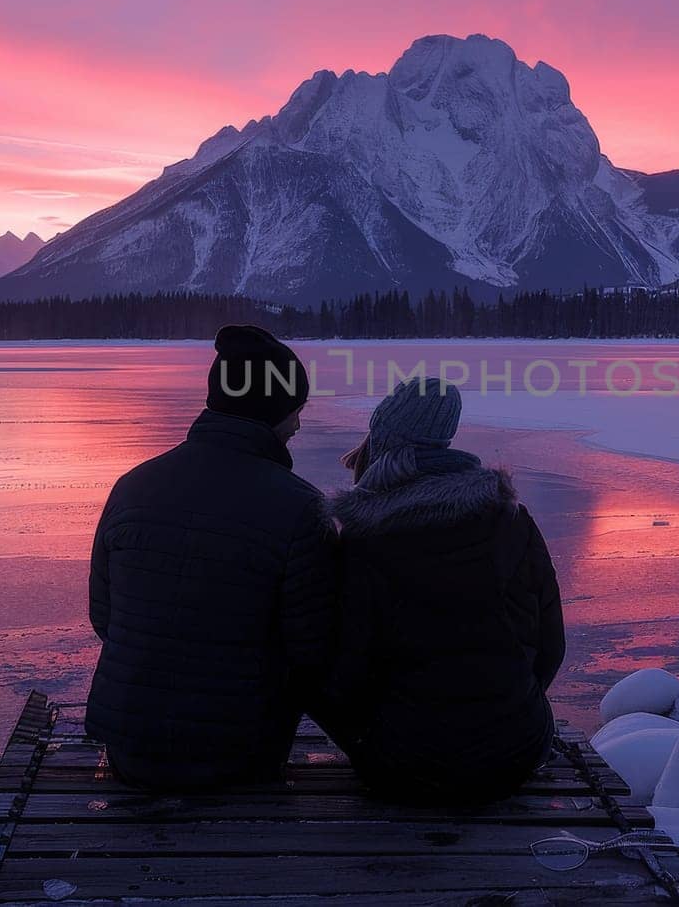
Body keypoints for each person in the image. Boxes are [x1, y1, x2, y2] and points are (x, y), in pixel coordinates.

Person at [86, 325, 336, 790]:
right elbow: (313, 649)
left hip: (131, 750)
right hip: (239, 756)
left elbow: (105, 616)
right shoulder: (300, 508)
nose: (299, 424)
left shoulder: (132, 487)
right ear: (272, 409)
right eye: (296, 410)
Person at [322, 376, 565, 803]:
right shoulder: (511, 519)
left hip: (401, 764)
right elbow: (550, 644)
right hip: (515, 752)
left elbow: (347, 672)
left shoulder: (364, 538)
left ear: (382, 441)